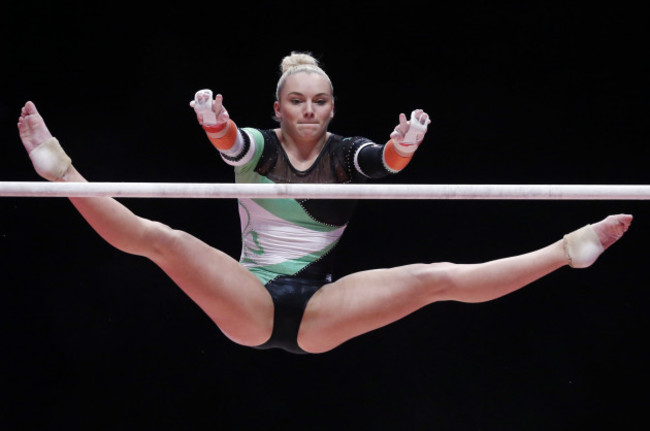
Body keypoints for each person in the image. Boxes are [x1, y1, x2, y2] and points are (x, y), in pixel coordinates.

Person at [17, 52, 632, 354]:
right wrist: (214, 124)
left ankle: (567, 250)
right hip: (250, 298)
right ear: (278, 107)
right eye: (296, 101)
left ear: (331, 108)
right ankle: (61, 170)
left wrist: (401, 148)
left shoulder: (345, 154)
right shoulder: (257, 145)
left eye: (318, 101)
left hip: (319, 307)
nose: (308, 110)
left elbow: (382, 166)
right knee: (165, 241)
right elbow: (232, 145)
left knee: (435, 278)